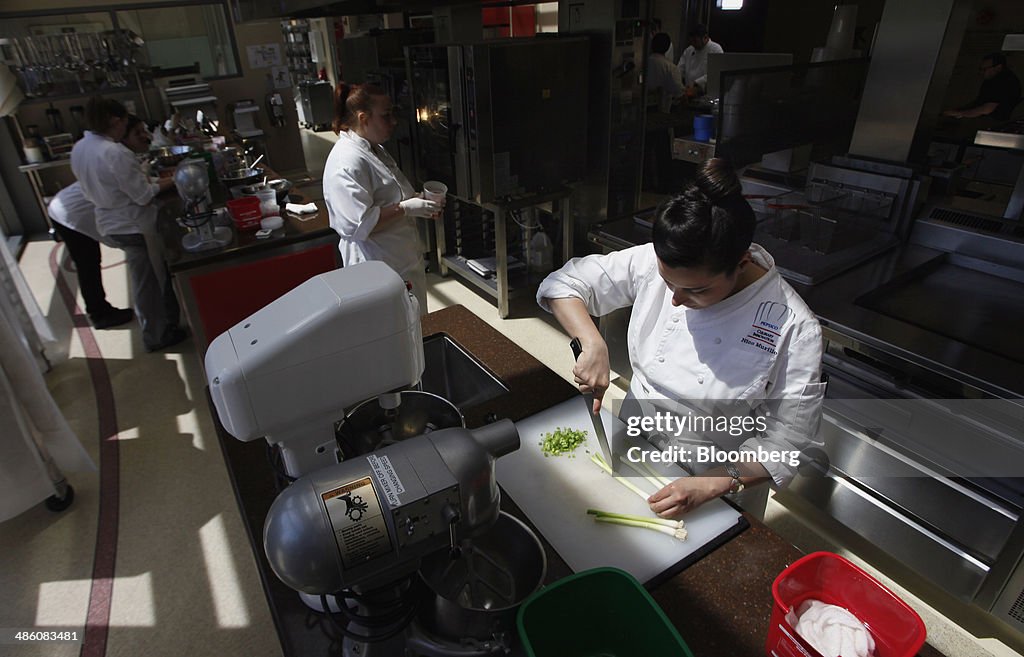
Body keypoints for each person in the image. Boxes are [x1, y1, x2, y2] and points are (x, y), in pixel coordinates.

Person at [537, 158, 826, 519]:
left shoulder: (794, 326)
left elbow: (788, 441)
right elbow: (564, 284)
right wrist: (593, 342)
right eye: (666, 282)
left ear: (741, 262)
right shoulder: (657, 261)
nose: (674, 298)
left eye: (696, 290)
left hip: (717, 482)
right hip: (634, 442)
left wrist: (714, 483)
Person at [70, 97, 188, 353]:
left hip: (111, 222)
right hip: (133, 225)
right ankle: (156, 336)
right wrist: (177, 178)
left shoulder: (80, 147)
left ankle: (163, 326)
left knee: (149, 280)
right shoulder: (114, 152)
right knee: (149, 283)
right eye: (125, 122)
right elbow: (143, 195)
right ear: (115, 121)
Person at [323, 82, 440, 314]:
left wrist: (419, 201)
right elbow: (361, 224)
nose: (393, 121)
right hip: (376, 268)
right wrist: (406, 208)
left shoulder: (373, 149)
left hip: (401, 262)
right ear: (363, 118)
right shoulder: (347, 161)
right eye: (386, 116)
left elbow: (391, 196)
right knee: (393, 336)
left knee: (414, 330)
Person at [943, 52, 1021, 122]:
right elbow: (979, 102)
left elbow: (987, 109)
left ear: (998, 67)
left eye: (984, 69)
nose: (981, 73)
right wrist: (958, 111)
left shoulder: (1003, 81)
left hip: (995, 121)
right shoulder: (991, 79)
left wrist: (961, 113)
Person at [677, 23, 724, 98]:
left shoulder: (716, 49)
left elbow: (716, 73)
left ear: (705, 38)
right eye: (691, 41)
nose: (693, 44)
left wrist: (698, 84)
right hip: (688, 92)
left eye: (695, 41)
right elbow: (679, 69)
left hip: (706, 94)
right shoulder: (689, 50)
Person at [646, 32, 685, 113]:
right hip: (661, 112)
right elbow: (679, 93)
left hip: (643, 110)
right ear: (667, 48)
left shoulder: (643, 63)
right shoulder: (671, 68)